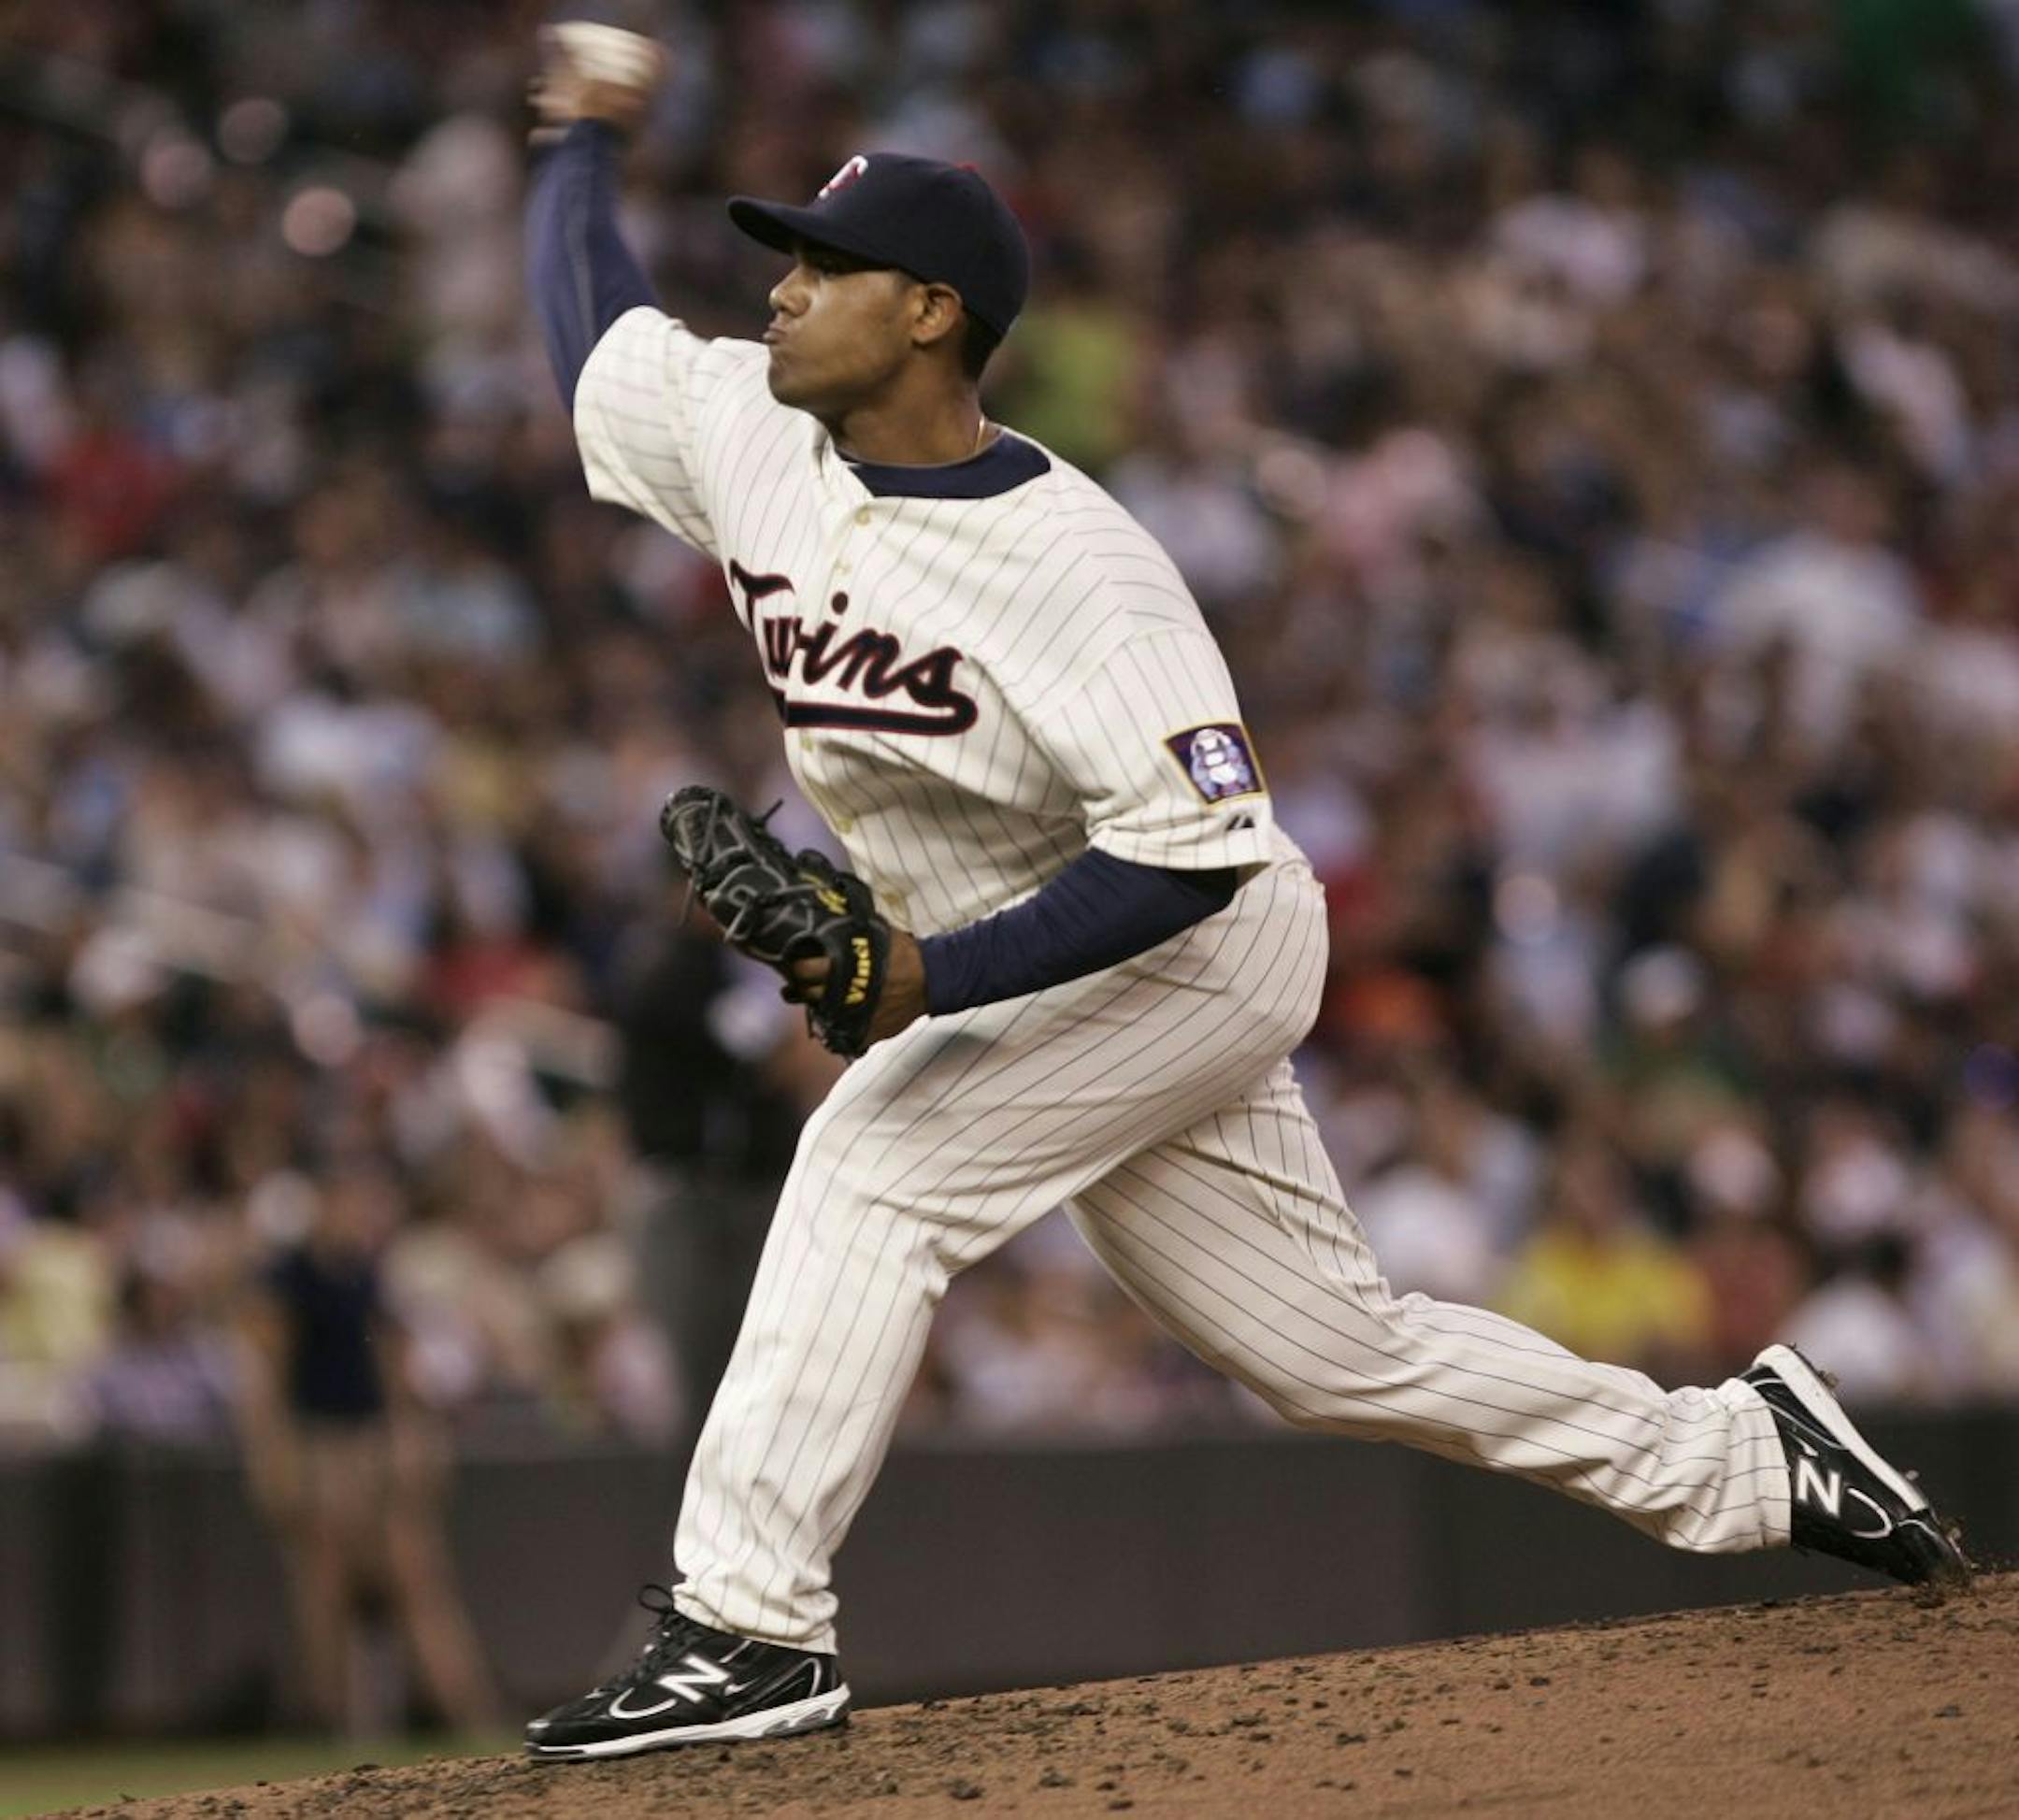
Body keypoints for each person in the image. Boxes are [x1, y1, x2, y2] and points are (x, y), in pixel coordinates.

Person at [517, 23, 1969, 1761]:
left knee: (872, 1159)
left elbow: (1189, 855)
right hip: (1020, 950)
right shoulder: (754, 436)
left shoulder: (1079, 571)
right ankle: (1746, 1457)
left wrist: (931, 978)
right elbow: (592, 333)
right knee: (1328, 1354)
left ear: (931, 312)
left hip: (1187, 942)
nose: (781, 295)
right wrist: (578, 141)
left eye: (825, 268)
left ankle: (750, 1625)